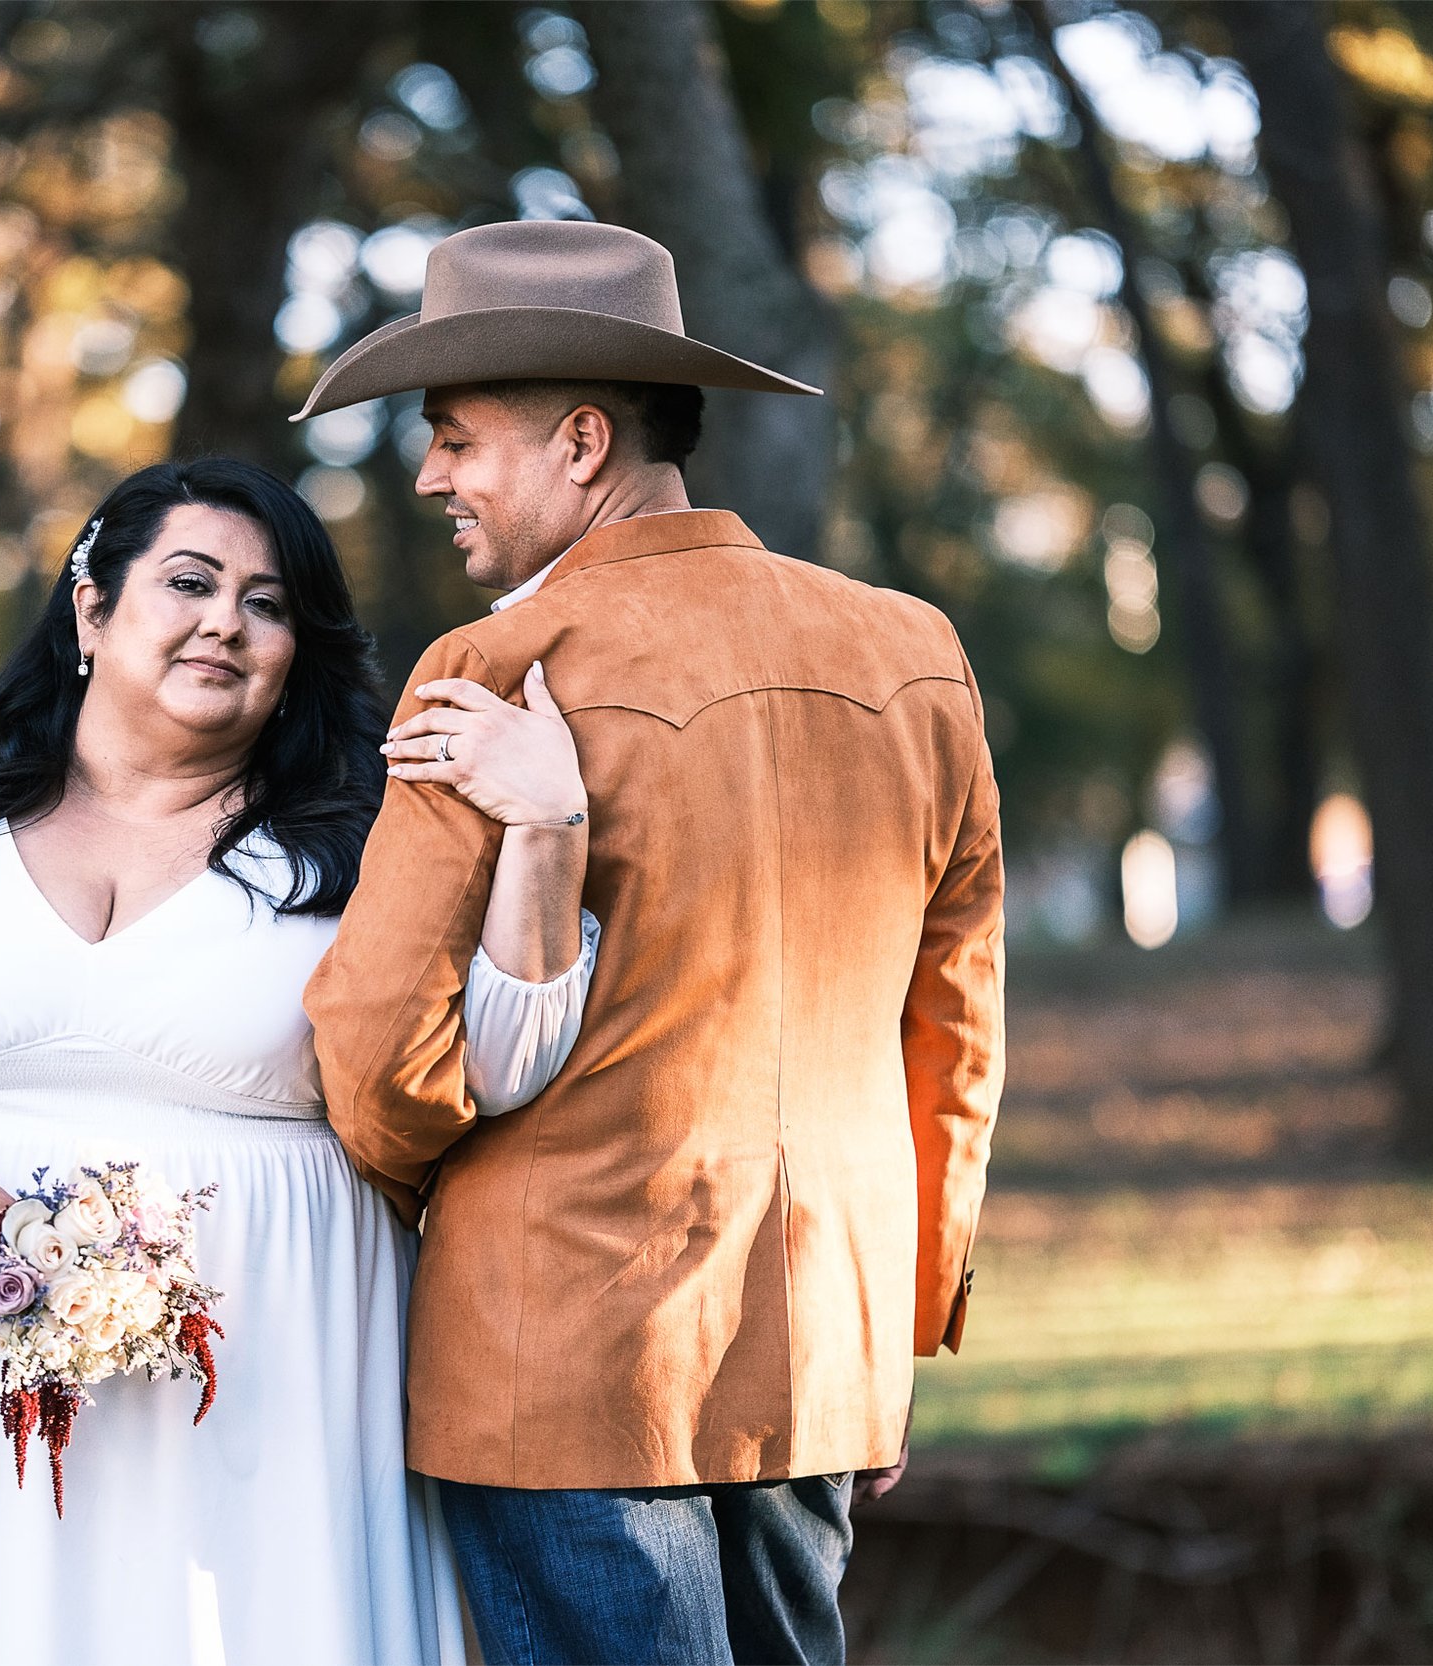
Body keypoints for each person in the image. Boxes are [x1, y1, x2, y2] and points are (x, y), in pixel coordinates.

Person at [0, 457, 600, 1666]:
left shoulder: (355, 851)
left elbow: (498, 1065)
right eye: (188, 581)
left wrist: (548, 830)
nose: (225, 621)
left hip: (269, 1389)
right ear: (91, 606)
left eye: (268, 602)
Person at [301, 219, 1006, 1665]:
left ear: (578, 440)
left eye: (452, 438)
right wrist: (904, 1315)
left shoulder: (494, 671)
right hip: (823, 1341)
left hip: (558, 1358)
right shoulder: (916, 655)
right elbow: (956, 1030)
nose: (431, 476)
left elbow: (375, 1074)